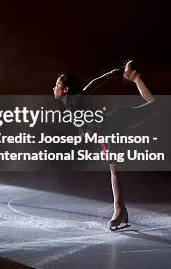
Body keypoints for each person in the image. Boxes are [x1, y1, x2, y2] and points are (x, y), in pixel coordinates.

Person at [53, 60, 157, 230]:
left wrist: (89, 132)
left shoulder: (76, 100)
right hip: (110, 131)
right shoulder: (73, 102)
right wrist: (112, 73)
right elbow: (93, 84)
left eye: (57, 84)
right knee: (115, 170)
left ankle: (136, 77)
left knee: (156, 105)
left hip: (115, 123)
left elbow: (90, 122)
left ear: (65, 89)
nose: (53, 87)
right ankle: (120, 210)